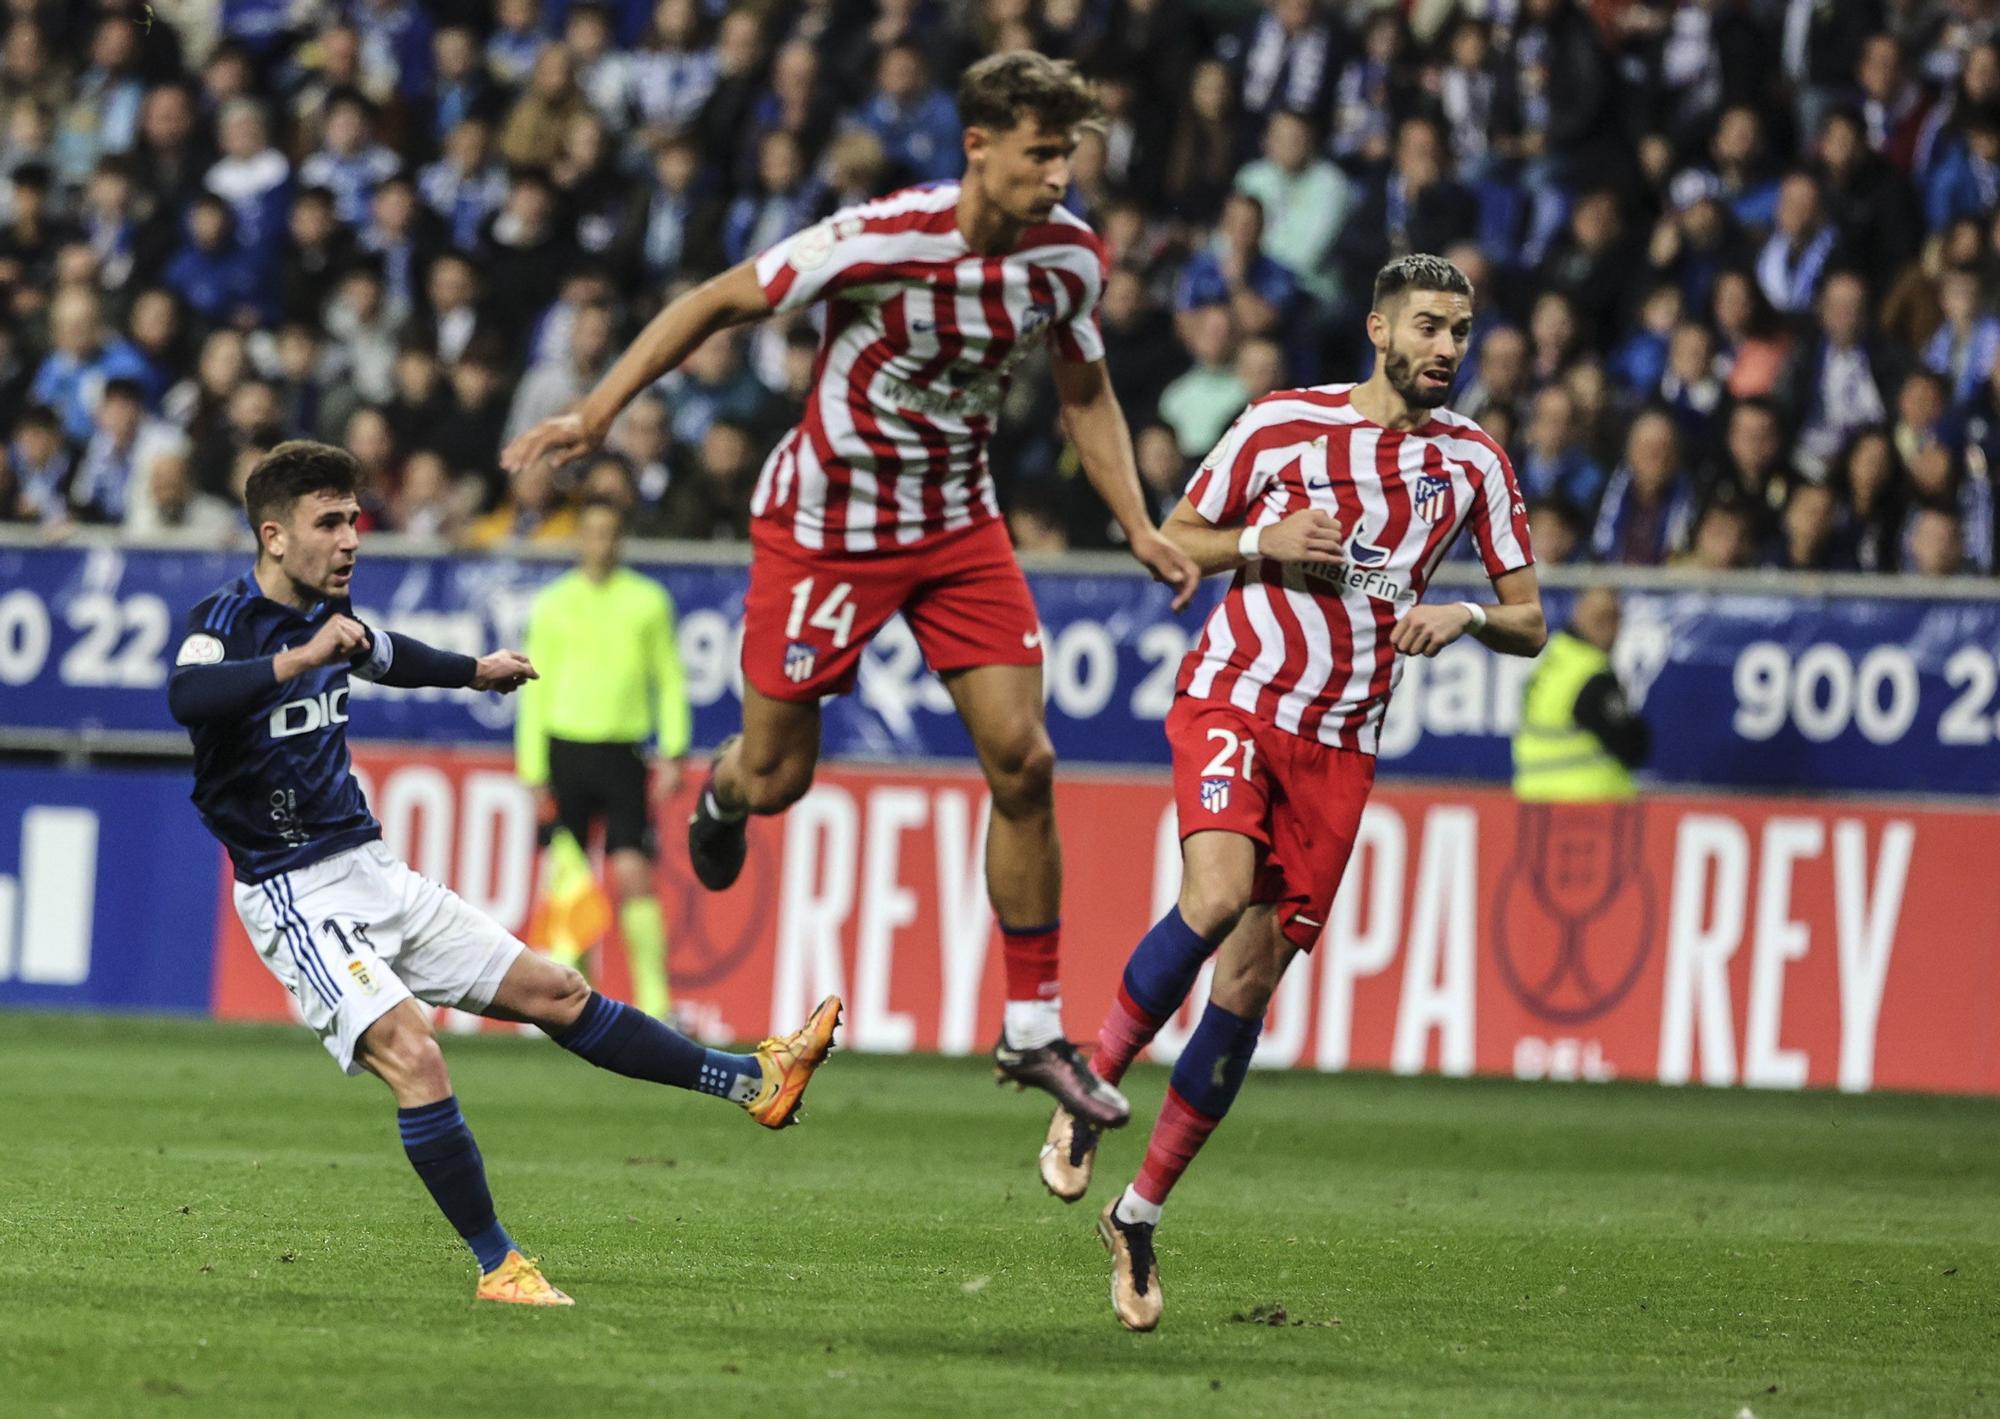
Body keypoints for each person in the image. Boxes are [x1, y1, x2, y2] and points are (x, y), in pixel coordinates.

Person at [504, 51, 1199, 1132]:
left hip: (957, 527)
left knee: (1024, 758)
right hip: (825, 531)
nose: (1058, 174)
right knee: (779, 778)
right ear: (978, 147)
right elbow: (718, 299)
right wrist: (596, 413)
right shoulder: (881, 237)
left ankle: (1030, 1028)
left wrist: (1138, 523)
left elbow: (1085, 390)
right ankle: (725, 795)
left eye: (1067, 153)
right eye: (1039, 152)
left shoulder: (1066, 261)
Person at [166, 441, 840, 1307]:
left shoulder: (334, 615)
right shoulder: (222, 622)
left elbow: (385, 653)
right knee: (416, 1053)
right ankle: (500, 1265)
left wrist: (472, 672)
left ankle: (753, 1080)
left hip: (372, 870)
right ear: (273, 534)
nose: (351, 539)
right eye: (328, 522)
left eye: (354, 519)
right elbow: (186, 699)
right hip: (293, 891)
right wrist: (299, 662)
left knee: (559, 990)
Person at [1046, 254, 1546, 1331]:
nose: (1445, 349)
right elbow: (1173, 542)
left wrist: (1460, 615)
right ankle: (1086, 1084)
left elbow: (1530, 618)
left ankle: (1136, 1218)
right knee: (1216, 891)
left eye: (1458, 331)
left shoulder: (1471, 465)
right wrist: (1258, 545)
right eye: (1426, 327)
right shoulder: (1283, 425)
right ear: (1377, 328)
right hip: (1235, 697)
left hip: (1339, 745)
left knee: (1247, 988)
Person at [515, 496, 690, 1021]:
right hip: (565, 749)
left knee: (633, 871)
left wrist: (676, 750)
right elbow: (532, 688)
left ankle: (656, 1002)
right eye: (590, 532)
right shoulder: (552, 604)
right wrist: (531, 766)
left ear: (620, 539)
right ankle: (567, 998)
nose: (600, 542)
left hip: (623, 753)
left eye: (609, 533)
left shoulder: (648, 601)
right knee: (568, 875)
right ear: (579, 539)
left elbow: (670, 678)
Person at [1513, 585, 1649, 801]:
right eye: (1603, 619)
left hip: (1534, 796)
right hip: (1587, 801)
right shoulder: (1592, 675)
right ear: (1580, 615)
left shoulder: (1553, 657)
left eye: (1614, 618)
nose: (1612, 629)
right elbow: (1632, 745)